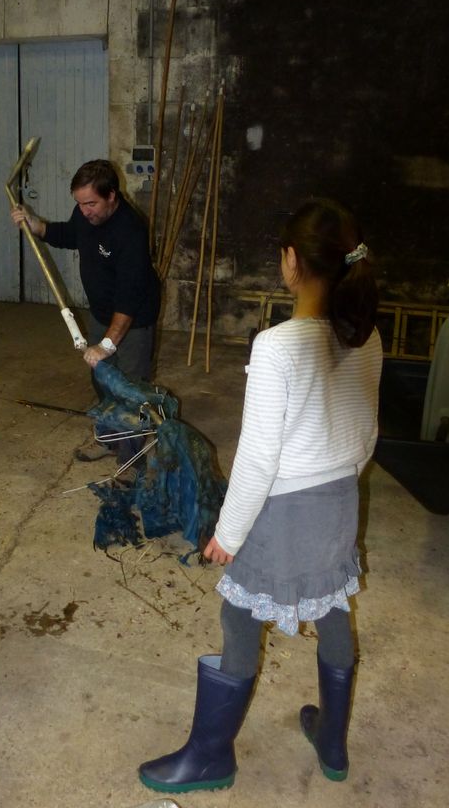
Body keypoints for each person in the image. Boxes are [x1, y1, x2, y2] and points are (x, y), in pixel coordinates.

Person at [138, 197, 382, 792]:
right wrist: (339, 479)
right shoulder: (366, 337)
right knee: (332, 606)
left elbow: (257, 458)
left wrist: (228, 533)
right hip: (340, 499)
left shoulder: (277, 346)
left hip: (284, 508)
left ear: (291, 261)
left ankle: (210, 757)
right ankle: (332, 742)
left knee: (240, 615)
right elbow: (367, 432)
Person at [11, 159, 161, 461]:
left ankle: (130, 463)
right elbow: (70, 234)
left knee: (130, 391)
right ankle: (107, 438)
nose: (84, 211)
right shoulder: (85, 215)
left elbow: (129, 298)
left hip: (133, 322)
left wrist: (107, 345)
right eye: (79, 203)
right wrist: (36, 225)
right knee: (102, 381)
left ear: (111, 196)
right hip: (102, 313)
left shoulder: (130, 230)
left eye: (91, 203)